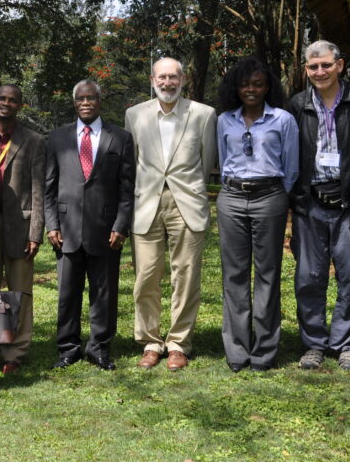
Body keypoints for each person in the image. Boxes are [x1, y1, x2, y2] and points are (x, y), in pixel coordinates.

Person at [124, 57, 217, 372]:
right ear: (152, 80)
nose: (167, 83)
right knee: (146, 277)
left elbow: (206, 161)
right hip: (146, 204)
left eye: (173, 77)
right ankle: (150, 342)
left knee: (186, 277)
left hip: (187, 204)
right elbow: (133, 161)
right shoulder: (135, 115)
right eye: (161, 77)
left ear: (183, 80)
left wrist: (188, 190)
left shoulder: (203, 114)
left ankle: (178, 343)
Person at [286, 40, 350, 371]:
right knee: (309, 277)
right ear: (306, 70)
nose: (320, 71)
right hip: (310, 203)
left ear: (340, 65)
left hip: (349, 203)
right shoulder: (297, 104)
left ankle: (346, 344)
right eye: (313, 66)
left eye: (325, 65)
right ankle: (314, 344)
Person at [216, 56, 299, 372]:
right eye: (244, 84)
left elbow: (291, 166)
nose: (250, 89)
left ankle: (264, 352)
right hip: (232, 198)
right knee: (234, 275)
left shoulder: (283, 120)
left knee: (268, 274)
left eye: (257, 84)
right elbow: (223, 159)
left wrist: (277, 195)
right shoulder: (225, 120)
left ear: (267, 88)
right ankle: (237, 351)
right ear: (236, 88)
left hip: (269, 197)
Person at [45, 80, 135, 371]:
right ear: (74, 102)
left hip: (106, 229)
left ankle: (99, 348)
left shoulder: (120, 138)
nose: (86, 103)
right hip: (66, 229)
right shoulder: (57, 138)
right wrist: (51, 224)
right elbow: (49, 186)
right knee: (67, 293)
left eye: (91, 98)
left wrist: (121, 225)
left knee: (104, 293)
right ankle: (68, 348)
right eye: (81, 99)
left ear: (99, 100)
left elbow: (127, 188)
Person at [0, 84, 45, 375]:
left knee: (20, 292)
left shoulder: (34, 141)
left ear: (20, 105)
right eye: (1, 98)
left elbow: (39, 190)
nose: (6, 103)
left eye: (12, 100)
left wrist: (35, 233)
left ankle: (15, 353)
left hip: (21, 224)